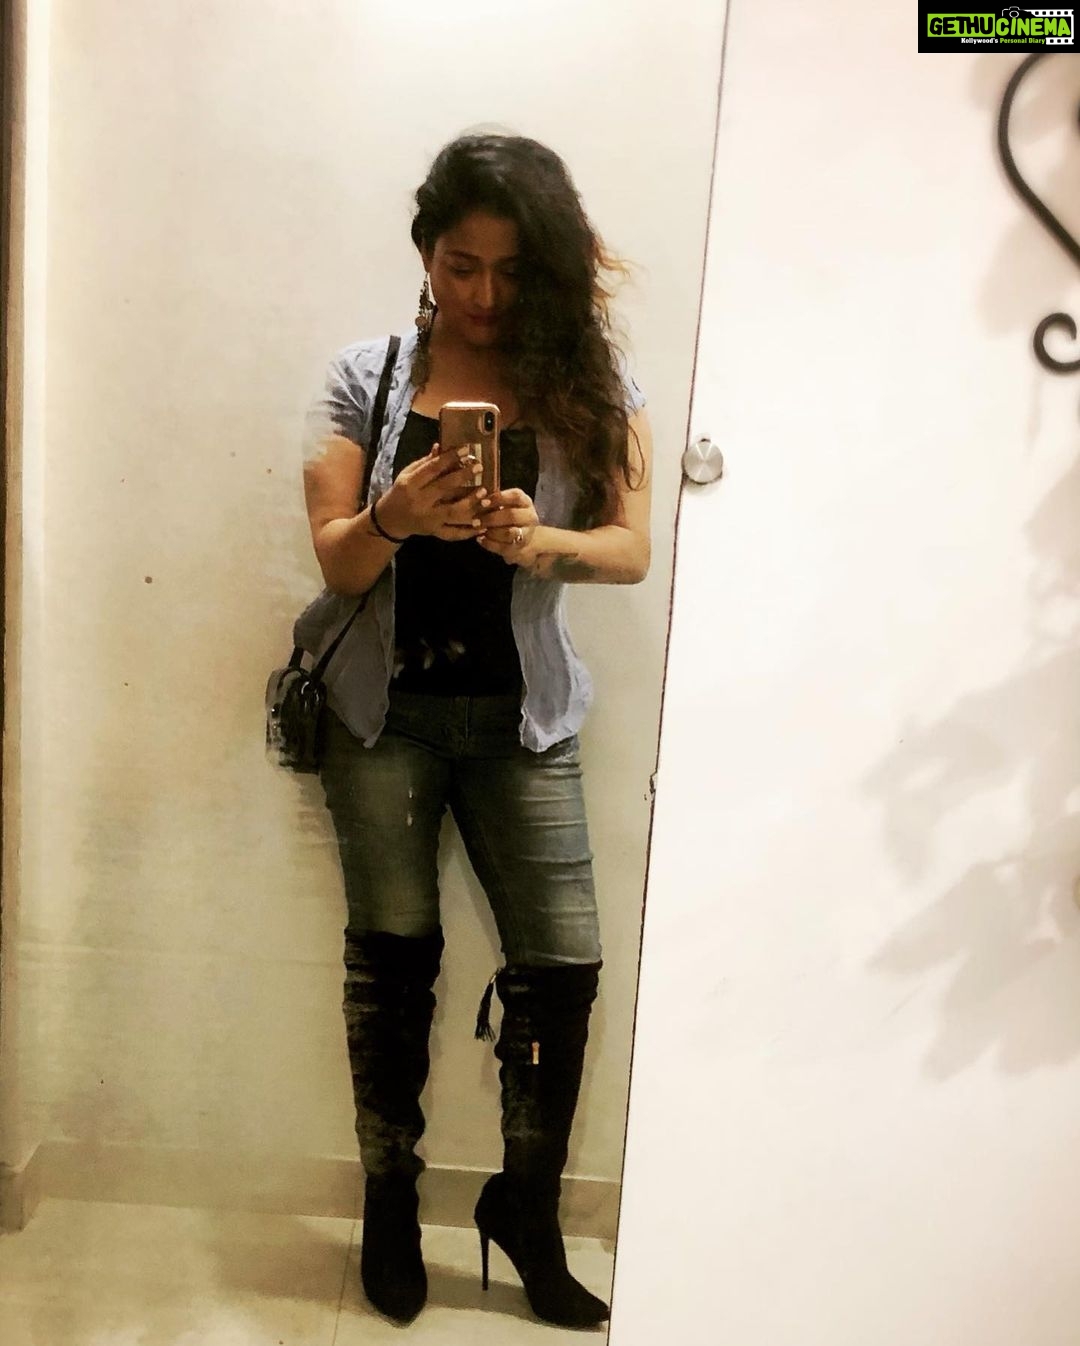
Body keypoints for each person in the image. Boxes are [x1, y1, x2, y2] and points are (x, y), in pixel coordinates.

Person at [298, 132, 653, 1329]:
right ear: (426, 253)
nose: (485, 294)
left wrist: (535, 541)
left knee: (564, 968)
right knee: (392, 964)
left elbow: (630, 547)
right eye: (462, 265)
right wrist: (394, 516)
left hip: (525, 719)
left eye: (510, 269)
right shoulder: (366, 375)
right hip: (382, 719)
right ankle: (390, 1204)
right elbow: (337, 562)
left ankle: (525, 1208)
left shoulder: (592, 382)